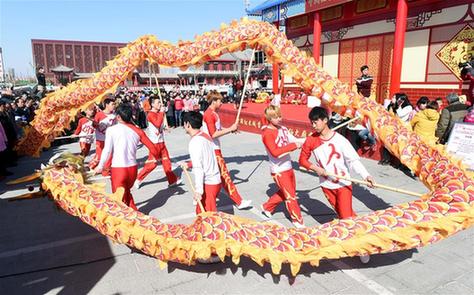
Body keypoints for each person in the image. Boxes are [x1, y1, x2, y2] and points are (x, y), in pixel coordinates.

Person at [299, 107, 374, 262]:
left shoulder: (340, 140)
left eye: (316, 122)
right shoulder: (311, 140)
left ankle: (362, 248)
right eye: (311, 122)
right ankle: (365, 232)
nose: (313, 125)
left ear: (325, 120)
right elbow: (302, 160)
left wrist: (366, 175)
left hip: (343, 183)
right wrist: (316, 168)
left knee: (346, 217)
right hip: (327, 185)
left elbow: (353, 161)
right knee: (344, 214)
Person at [94, 104, 159, 210]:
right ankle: (134, 212)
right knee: (126, 193)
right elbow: (154, 149)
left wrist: (100, 166)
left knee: (119, 200)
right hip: (133, 170)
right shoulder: (138, 131)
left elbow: (107, 150)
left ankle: (130, 220)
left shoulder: (111, 130)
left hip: (119, 170)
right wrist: (155, 158)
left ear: (118, 117)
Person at [202, 91, 252, 209]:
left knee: (215, 177)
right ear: (214, 101)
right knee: (224, 176)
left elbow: (217, 130)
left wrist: (231, 129)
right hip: (213, 150)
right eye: (220, 101)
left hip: (213, 148)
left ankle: (202, 197)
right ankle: (239, 201)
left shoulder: (213, 113)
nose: (221, 103)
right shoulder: (209, 114)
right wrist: (230, 129)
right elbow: (213, 134)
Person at [260, 105, 305, 228]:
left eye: (280, 116)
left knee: (287, 192)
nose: (279, 118)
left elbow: (295, 140)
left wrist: (307, 140)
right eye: (276, 117)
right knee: (290, 196)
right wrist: (294, 146)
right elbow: (275, 153)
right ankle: (297, 220)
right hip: (278, 169)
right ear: (269, 118)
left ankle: (267, 207)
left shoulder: (283, 129)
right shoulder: (267, 134)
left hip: (288, 166)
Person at [135, 96, 181, 188]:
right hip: (154, 143)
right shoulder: (150, 114)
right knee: (152, 164)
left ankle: (172, 180)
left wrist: (165, 127)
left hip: (161, 142)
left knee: (166, 162)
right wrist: (161, 112)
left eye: (160, 102)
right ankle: (138, 178)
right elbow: (157, 123)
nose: (160, 104)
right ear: (152, 104)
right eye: (158, 102)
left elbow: (160, 125)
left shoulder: (160, 113)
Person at [181, 111, 221, 214]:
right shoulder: (205, 136)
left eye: (184, 124)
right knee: (200, 213)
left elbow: (198, 168)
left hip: (209, 183)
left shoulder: (194, 142)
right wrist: (189, 164)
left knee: (209, 217)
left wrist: (198, 191)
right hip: (214, 180)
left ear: (188, 124)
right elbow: (204, 157)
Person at [88, 98, 116, 175]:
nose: (114, 106)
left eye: (114, 104)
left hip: (110, 139)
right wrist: (97, 124)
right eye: (112, 104)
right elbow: (94, 125)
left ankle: (106, 170)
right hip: (100, 139)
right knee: (99, 156)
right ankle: (90, 167)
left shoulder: (114, 115)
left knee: (109, 155)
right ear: (106, 105)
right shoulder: (99, 114)